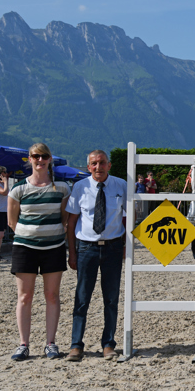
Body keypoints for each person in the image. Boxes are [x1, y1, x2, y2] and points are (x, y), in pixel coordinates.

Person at [6, 143, 71, 361]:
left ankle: (50, 342)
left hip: (54, 247)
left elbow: (64, 218)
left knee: (52, 296)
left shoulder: (62, 188)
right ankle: (24, 344)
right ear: (30, 159)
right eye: (36, 156)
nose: (40, 160)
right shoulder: (18, 190)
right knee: (25, 296)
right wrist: (30, 235)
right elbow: (11, 222)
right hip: (25, 248)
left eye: (44, 156)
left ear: (50, 159)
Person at [65, 150, 127, 362]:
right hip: (86, 248)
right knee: (82, 298)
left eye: (102, 163)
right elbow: (71, 222)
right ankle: (76, 345)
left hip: (113, 247)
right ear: (88, 167)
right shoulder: (80, 187)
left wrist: (126, 248)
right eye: (94, 164)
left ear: (109, 165)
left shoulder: (121, 186)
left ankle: (108, 344)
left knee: (111, 298)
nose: (98, 167)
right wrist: (72, 252)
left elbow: (127, 219)